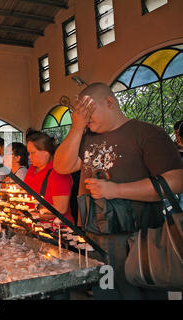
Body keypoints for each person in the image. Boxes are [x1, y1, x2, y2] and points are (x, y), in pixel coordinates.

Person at [54, 82, 183, 300]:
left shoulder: (147, 133)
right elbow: (62, 166)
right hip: (94, 239)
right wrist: (76, 128)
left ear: (110, 103)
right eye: (81, 113)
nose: (85, 118)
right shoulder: (85, 137)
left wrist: (116, 190)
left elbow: (176, 180)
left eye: (88, 111)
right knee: (104, 294)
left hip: (138, 240)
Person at [24, 132, 74, 224]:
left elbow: (61, 208)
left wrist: (35, 214)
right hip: (32, 224)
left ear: (46, 153)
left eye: (32, 153)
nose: (29, 157)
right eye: (29, 153)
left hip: (54, 229)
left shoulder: (57, 172)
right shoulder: (32, 169)